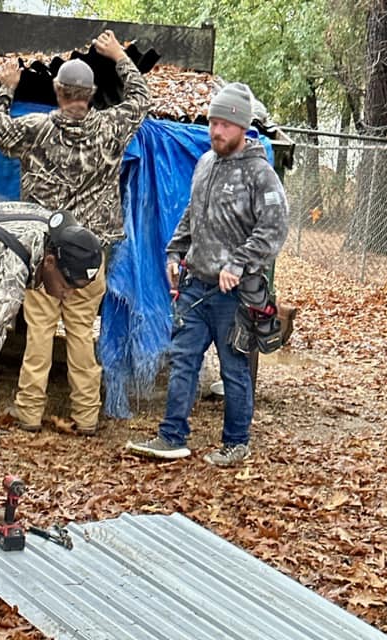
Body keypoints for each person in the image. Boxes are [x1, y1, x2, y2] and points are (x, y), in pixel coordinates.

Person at [0, 30, 150, 435]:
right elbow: (141, 100)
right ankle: (87, 416)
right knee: (80, 334)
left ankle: (27, 414)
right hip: (91, 259)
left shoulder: (36, 128)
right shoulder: (111, 128)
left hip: (45, 257)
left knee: (38, 334)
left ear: (58, 91)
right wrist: (118, 58)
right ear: (90, 95)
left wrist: (7, 89)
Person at [126, 83, 289, 466]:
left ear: (243, 127)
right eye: (213, 122)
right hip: (195, 286)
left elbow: (273, 230)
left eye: (225, 124)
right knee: (183, 360)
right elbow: (191, 212)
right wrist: (174, 251)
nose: (216, 131)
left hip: (234, 294)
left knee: (233, 369)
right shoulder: (204, 163)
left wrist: (239, 264)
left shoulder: (260, 174)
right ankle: (171, 437)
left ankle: (236, 442)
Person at [0, 202, 103, 522]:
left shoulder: (53, 230)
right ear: (51, 261)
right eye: (67, 285)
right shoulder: (4, 273)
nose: (67, 296)